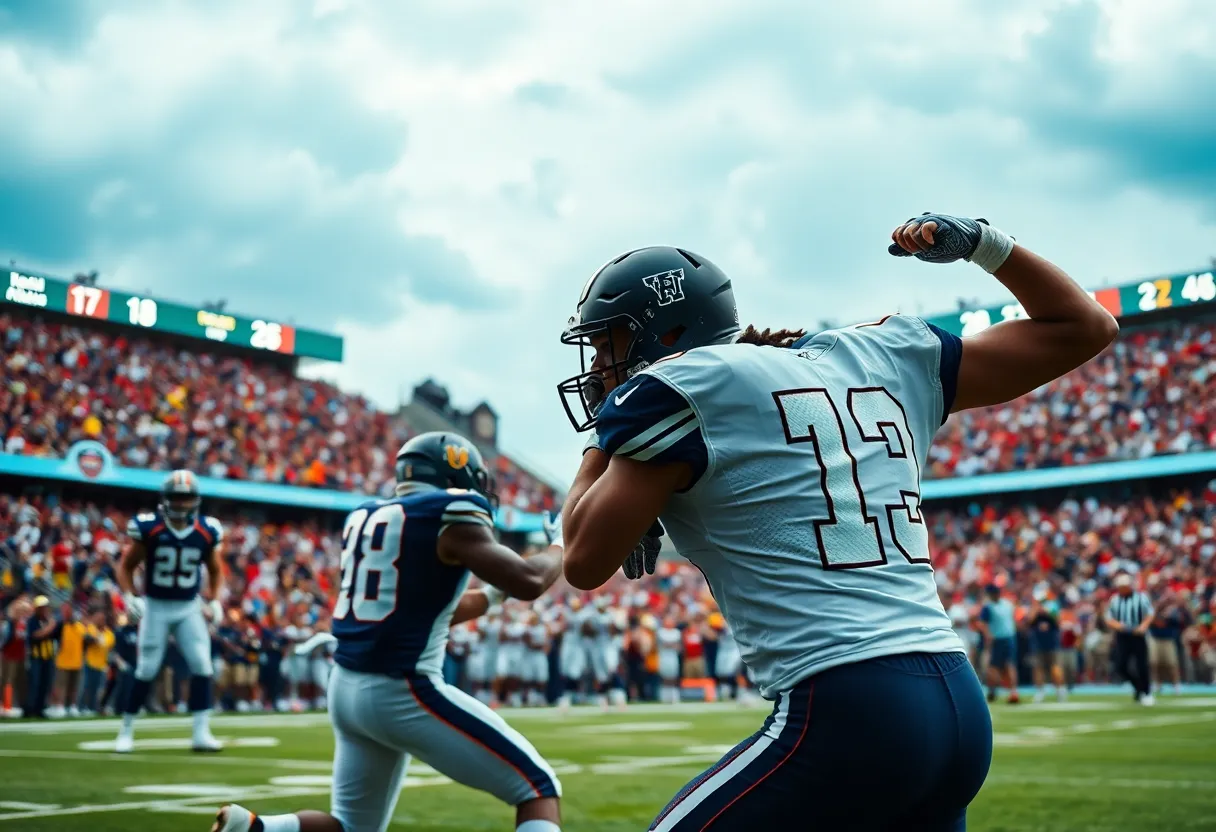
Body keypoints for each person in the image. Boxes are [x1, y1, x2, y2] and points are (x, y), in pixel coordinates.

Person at [556, 213, 1119, 830]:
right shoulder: (878, 355)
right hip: (955, 694)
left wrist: (604, 447)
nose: (599, 368)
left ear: (666, 332)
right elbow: (1084, 326)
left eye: (608, 345)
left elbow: (582, 559)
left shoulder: (680, 386)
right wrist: (986, 245)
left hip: (848, 708)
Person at [214, 431, 566, 832]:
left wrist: (492, 596)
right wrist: (561, 545)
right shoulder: (447, 512)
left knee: (352, 826)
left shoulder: (367, 516)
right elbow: (529, 580)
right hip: (402, 690)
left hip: (346, 688)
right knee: (537, 788)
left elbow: (430, 611)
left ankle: (256, 828)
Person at [114, 469, 226, 753]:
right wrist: (130, 596)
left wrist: (214, 600)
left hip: (189, 606)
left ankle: (201, 732)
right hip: (156, 605)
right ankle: (126, 730)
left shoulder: (206, 530)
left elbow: (215, 569)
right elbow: (126, 566)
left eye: (186, 498)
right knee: (147, 668)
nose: (181, 504)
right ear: (165, 499)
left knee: (202, 665)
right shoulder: (150, 528)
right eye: (176, 497)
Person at [1105, 573, 1154, 705]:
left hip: (1138, 635)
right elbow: (1109, 618)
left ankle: (1147, 692)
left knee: (1142, 665)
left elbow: (1149, 613)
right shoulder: (1115, 599)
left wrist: (1143, 626)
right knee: (1120, 666)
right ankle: (1138, 687)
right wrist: (1119, 626)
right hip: (1122, 636)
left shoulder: (1141, 597)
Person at [977, 584, 1020, 704]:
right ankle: (1012, 691)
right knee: (1008, 665)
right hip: (1009, 637)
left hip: (998, 639)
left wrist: (988, 636)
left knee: (993, 667)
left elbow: (982, 624)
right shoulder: (1008, 604)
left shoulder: (988, 607)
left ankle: (995, 689)